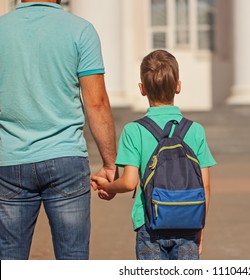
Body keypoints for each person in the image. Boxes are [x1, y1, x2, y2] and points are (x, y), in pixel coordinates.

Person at [0, 0, 117, 260]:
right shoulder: (80, 30)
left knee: (8, 259)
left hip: (8, 160)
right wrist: (110, 163)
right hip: (65, 159)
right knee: (72, 259)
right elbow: (96, 103)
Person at [92, 49, 216, 260]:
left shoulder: (134, 130)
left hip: (149, 224)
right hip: (188, 224)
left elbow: (129, 183)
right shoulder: (195, 130)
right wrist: (200, 228)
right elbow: (205, 187)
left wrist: (107, 186)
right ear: (178, 86)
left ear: (142, 89)